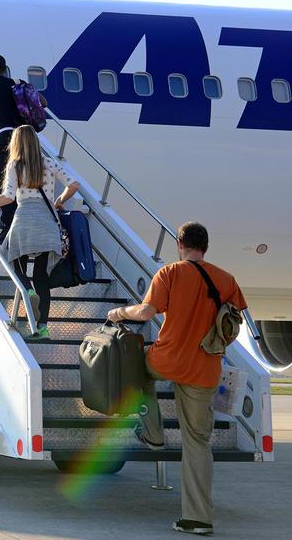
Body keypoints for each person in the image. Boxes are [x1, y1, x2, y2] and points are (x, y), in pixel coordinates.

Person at [106, 222, 247, 536]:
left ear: (179, 243)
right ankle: (198, 519)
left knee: (137, 370)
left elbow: (145, 313)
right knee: (197, 442)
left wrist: (119, 313)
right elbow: (233, 324)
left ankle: (154, 434)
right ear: (205, 247)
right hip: (204, 369)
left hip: (167, 360)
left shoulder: (169, 273)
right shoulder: (227, 280)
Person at [0, 125, 79, 339]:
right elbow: (73, 185)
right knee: (42, 276)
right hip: (47, 222)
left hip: (24, 219)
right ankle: (43, 329)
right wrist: (60, 201)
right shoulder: (49, 163)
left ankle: (28, 290)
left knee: (13, 260)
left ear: (16, 143)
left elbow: (7, 198)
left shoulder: (14, 166)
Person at [0, 54, 47, 241]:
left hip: (0, 136)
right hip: (23, 137)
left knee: (5, 181)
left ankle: (9, 227)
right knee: (25, 180)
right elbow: (43, 102)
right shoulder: (17, 83)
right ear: (5, 68)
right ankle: (29, 225)